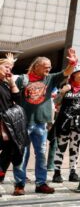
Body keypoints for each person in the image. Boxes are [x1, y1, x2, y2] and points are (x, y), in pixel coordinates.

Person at [12, 48, 77, 196]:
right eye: (45, 66)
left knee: (41, 154)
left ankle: (41, 183)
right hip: (24, 124)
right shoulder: (23, 79)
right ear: (36, 66)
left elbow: (67, 72)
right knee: (22, 155)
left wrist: (72, 62)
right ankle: (19, 184)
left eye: (50, 66)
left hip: (41, 124)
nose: (49, 68)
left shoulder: (50, 78)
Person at [52, 64, 80, 183]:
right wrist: (62, 92)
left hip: (79, 124)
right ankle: (57, 172)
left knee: (75, 148)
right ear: (74, 74)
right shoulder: (66, 86)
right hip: (64, 122)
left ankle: (73, 172)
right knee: (61, 147)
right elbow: (56, 103)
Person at [0, 53, 27, 194]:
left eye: (11, 68)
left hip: (8, 125)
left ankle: (2, 177)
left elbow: (18, 101)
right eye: (6, 67)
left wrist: (11, 83)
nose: (9, 70)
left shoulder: (6, 84)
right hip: (2, 124)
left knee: (11, 151)